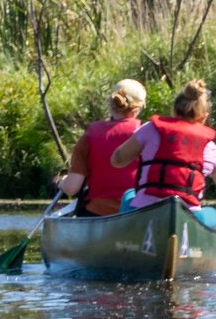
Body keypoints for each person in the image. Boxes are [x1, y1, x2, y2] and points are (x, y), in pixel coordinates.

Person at [109, 78, 216, 221]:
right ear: (204, 117)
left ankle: (125, 233)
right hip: (187, 216)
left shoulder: (151, 129)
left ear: (174, 110)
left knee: (129, 195)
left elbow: (117, 160)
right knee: (211, 214)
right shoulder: (211, 148)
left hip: (145, 211)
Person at [57, 79, 148, 216]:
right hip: (138, 210)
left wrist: (61, 183)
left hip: (98, 212)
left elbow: (72, 188)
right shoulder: (148, 134)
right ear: (138, 108)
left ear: (110, 103)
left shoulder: (88, 138)